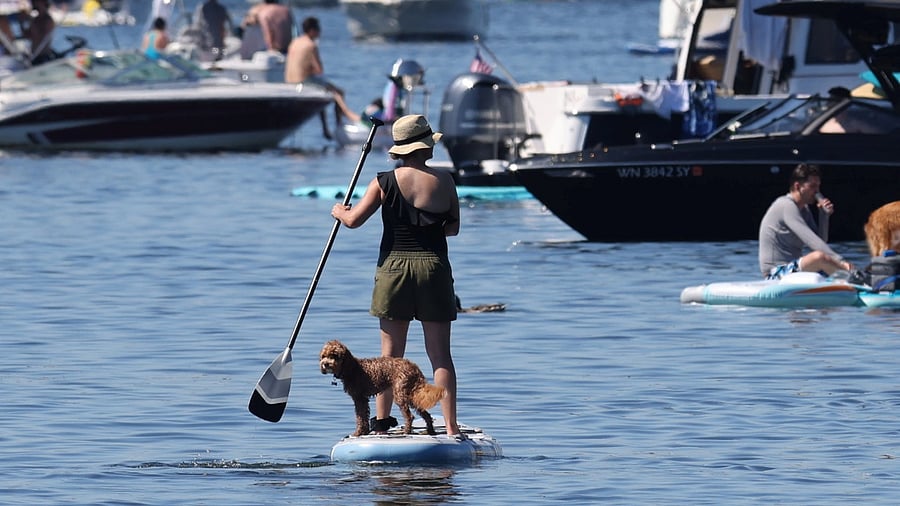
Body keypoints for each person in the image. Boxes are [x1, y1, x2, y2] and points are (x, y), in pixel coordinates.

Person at [330, 114, 462, 437]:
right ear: (425, 147)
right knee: (440, 355)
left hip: (393, 269)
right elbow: (453, 228)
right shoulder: (445, 181)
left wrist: (339, 211)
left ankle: (382, 424)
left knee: (390, 357)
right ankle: (450, 427)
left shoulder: (383, 181)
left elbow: (354, 221)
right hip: (433, 266)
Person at [758, 163, 854, 279]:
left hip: (793, 270)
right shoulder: (786, 206)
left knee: (827, 263)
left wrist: (824, 216)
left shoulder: (804, 209)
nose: (817, 192)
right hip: (776, 274)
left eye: (818, 186)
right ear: (798, 186)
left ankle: (859, 281)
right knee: (819, 258)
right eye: (812, 186)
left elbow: (821, 241)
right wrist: (841, 261)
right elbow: (812, 242)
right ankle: (856, 280)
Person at [285, 16, 360, 125]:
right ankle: (344, 118)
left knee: (323, 88)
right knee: (338, 92)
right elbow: (319, 70)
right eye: (318, 29)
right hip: (304, 81)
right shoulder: (311, 45)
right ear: (312, 31)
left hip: (289, 80)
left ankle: (326, 128)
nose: (320, 32)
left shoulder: (295, 42)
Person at [21, 0, 54, 65]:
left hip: (43, 56)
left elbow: (38, 36)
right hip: (34, 55)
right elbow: (27, 36)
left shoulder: (48, 20)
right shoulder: (35, 19)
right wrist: (22, 22)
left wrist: (30, 20)